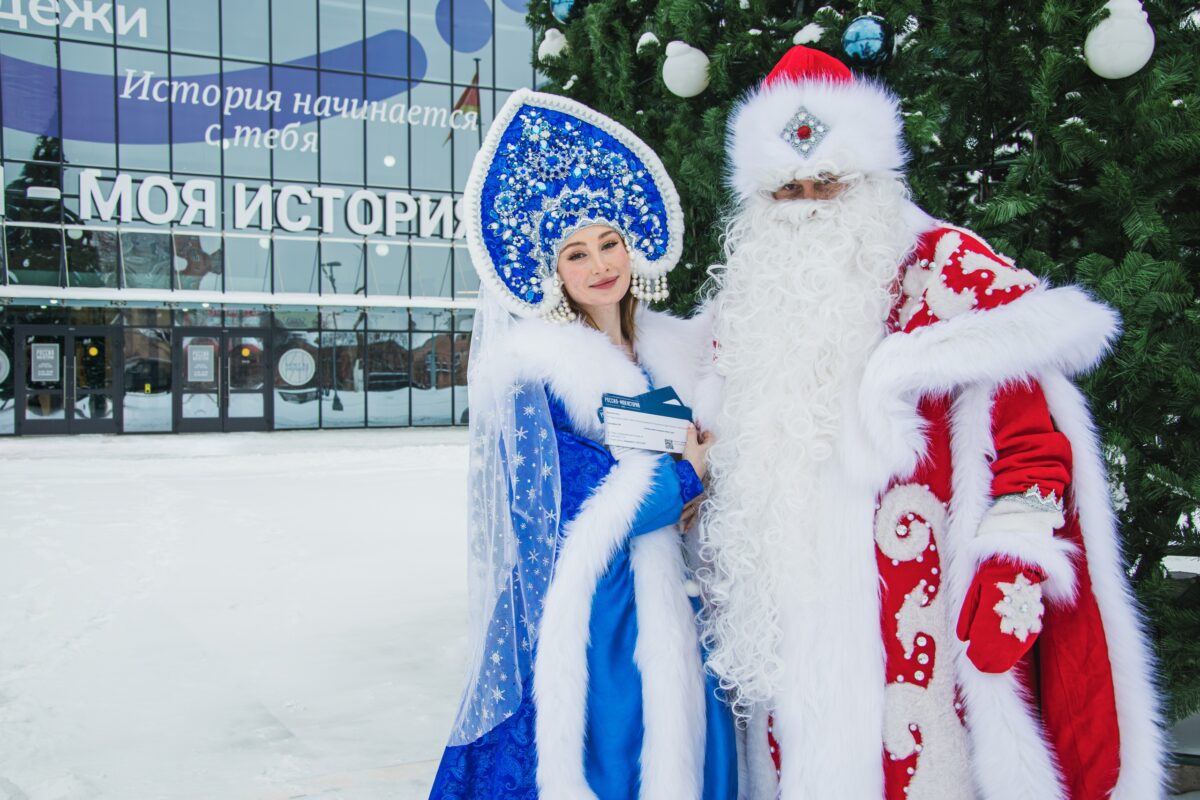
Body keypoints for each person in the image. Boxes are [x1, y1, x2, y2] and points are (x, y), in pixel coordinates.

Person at [693, 46, 1167, 800]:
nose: (810, 202)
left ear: (871, 177)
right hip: (790, 627)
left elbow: (1031, 440)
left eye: (829, 182)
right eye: (788, 190)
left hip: (917, 624)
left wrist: (1013, 559)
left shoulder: (947, 273)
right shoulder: (743, 310)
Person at [429, 89, 736, 800]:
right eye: (576, 253)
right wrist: (687, 476)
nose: (601, 265)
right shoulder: (540, 375)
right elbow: (574, 508)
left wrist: (698, 479)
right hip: (602, 615)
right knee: (620, 764)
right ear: (554, 271)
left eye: (609, 243)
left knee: (692, 754)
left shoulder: (671, 351)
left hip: (678, 599)